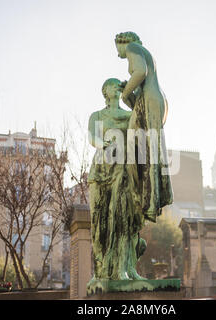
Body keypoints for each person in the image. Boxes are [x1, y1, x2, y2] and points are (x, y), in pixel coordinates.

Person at [87, 78, 146, 282]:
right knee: (98, 223)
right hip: (100, 171)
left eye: (117, 85)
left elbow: (144, 117)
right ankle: (100, 271)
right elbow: (91, 136)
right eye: (112, 85)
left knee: (122, 219)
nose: (116, 87)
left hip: (121, 170)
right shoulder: (97, 115)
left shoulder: (129, 116)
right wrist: (102, 143)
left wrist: (134, 90)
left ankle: (124, 267)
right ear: (105, 91)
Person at [115, 31, 173, 223]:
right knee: (148, 150)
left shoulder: (133, 48)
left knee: (143, 151)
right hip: (156, 100)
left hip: (151, 100)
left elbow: (140, 72)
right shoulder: (147, 54)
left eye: (117, 48)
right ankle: (149, 199)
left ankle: (147, 201)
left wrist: (125, 93)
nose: (118, 54)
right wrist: (130, 90)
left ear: (123, 43)